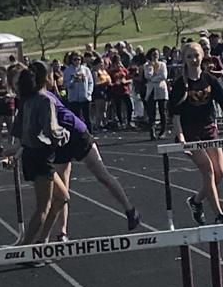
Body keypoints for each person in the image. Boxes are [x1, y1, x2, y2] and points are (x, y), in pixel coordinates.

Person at [19, 61, 141, 239]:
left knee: (101, 174)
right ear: (46, 78)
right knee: (62, 190)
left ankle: (129, 209)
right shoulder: (40, 98)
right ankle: (61, 232)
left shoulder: (43, 97)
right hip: (61, 141)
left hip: (76, 135)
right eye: (53, 76)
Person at [169, 41, 223, 225]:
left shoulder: (210, 80)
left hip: (209, 129)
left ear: (202, 56)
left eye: (196, 55)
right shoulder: (180, 84)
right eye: (189, 56)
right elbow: (175, 116)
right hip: (190, 132)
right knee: (207, 170)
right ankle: (219, 215)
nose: (194, 59)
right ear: (184, 59)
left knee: (220, 173)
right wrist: (181, 137)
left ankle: (196, 201)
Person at [12, 66, 71, 244]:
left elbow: (17, 129)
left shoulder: (26, 100)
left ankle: (40, 240)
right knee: (43, 208)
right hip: (41, 155)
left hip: (31, 154)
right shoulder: (45, 100)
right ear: (45, 78)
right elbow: (51, 131)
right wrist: (65, 134)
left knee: (62, 197)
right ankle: (25, 249)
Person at [143, 49, 169, 139]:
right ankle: (152, 131)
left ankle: (163, 131)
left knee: (163, 111)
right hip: (151, 90)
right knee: (152, 111)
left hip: (161, 89)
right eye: (154, 54)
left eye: (157, 54)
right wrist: (151, 67)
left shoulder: (162, 64)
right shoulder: (146, 66)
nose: (155, 56)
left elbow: (164, 76)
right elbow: (148, 76)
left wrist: (153, 79)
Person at [63, 52, 93, 127]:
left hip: (85, 98)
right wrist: (73, 80)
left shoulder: (86, 69)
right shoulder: (67, 71)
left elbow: (90, 82)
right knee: (77, 119)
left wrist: (89, 92)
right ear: (71, 60)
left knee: (87, 118)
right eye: (75, 59)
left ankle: (90, 132)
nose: (77, 61)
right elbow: (66, 84)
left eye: (79, 59)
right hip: (74, 99)